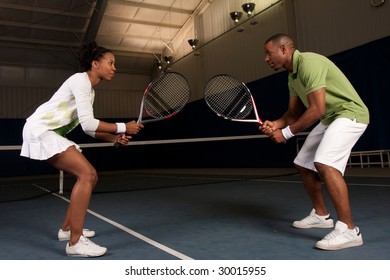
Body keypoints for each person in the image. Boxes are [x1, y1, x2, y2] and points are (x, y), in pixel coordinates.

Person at [20, 41, 144, 257]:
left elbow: (88, 130)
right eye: (110, 63)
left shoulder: (89, 91)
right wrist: (125, 126)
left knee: (89, 177)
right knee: (88, 174)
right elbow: (89, 123)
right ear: (95, 64)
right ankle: (75, 243)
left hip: (49, 132)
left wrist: (114, 138)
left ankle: (67, 230)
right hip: (40, 130)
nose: (114, 67)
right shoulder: (80, 81)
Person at [260, 33, 369, 250]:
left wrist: (287, 133)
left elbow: (316, 109)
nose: (266, 58)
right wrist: (276, 124)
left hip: (350, 113)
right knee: (303, 163)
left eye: (268, 53)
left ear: (284, 49)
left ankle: (349, 230)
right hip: (332, 118)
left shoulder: (309, 63)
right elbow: (293, 113)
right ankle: (321, 215)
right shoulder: (292, 76)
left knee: (325, 162)